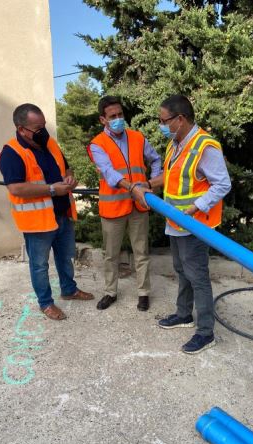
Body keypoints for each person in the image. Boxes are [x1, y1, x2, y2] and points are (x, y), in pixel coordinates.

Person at [149, 95, 232, 354]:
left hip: (194, 224)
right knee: (180, 269)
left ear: (180, 119)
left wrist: (197, 206)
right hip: (175, 221)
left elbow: (223, 184)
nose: (162, 125)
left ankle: (205, 332)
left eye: (164, 121)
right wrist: (149, 185)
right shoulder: (176, 143)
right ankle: (184, 314)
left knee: (197, 276)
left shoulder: (205, 146)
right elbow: (171, 175)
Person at [0, 103, 94, 320]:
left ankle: (69, 290)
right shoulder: (11, 153)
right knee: (39, 265)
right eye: (37, 128)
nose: (43, 132)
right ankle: (46, 303)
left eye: (43, 126)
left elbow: (66, 167)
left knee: (66, 257)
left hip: (62, 214)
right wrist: (52, 189)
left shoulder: (49, 143)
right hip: (38, 222)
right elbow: (15, 187)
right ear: (21, 129)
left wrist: (70, 177)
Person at [87, 96, 162, 311]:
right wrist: (133, 188)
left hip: (139, 206)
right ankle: (110, 292)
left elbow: (155, 159)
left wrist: (152, 185)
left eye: (120, 114)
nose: (118, 119)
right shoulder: (97, 144)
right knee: (111, 255)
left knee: (141, 252)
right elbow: (109, 173)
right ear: (103, 119)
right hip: (113, 208)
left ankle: (143, 293)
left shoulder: (138, 137)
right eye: (113, 116)